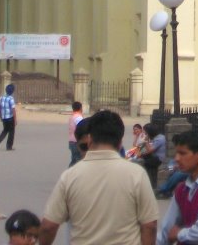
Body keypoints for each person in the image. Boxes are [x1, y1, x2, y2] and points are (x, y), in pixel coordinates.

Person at [39, 108, 157, 245]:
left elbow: (48, 227)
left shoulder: (70, 177)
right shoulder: (137, 175)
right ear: (120, 142)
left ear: (89, 139)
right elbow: (150, 226)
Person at [139, 122, 167, 188]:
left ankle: (151, 183)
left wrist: (145, 141)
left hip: (159, 159)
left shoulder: (159, 139)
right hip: (154, 156)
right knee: (142, 157)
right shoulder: (156, 138)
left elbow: (149, 150)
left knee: (145, 163)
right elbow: (145, 150)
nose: (145, 134)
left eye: (146, 133)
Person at [0, 83, 17, 151]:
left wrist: (1, 116)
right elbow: (13, 110)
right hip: (10, 117)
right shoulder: (11, 98)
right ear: (12, 91)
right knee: (11, 132)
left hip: (4, 117)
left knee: (5, 130)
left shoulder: (2, 97)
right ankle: (9, 146)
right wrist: (15, 119)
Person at [68, 101, 84, 166]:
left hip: (71, 141)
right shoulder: (78, 117)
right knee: (78, 161)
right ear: (80, 108)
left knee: (74, 160)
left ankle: (70, 174)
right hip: (77, 142)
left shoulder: (72, 117)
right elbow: (81, 127)